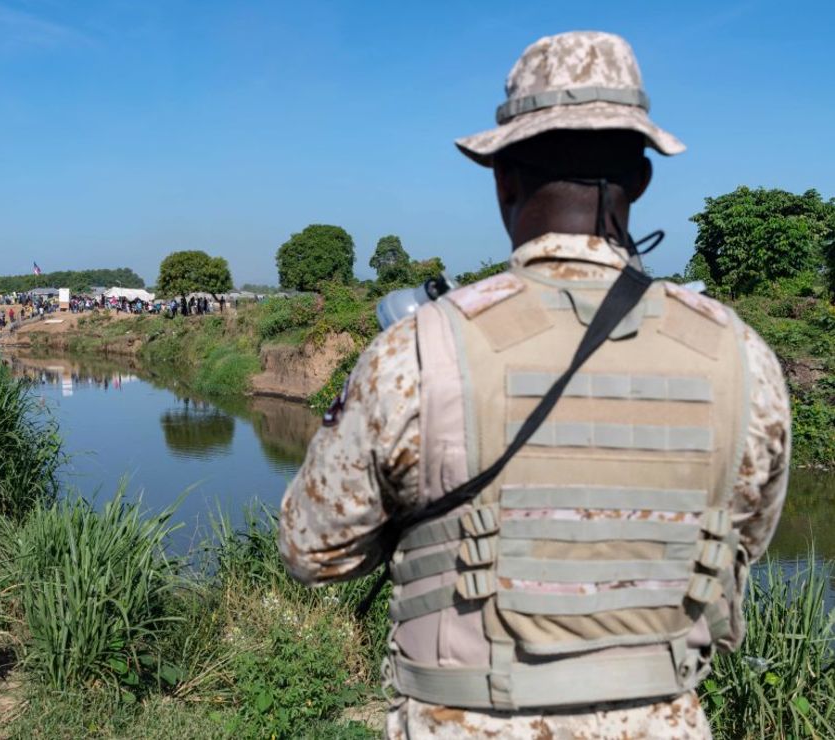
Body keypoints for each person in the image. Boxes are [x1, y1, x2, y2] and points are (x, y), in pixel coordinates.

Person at [279, 31, 790, 739]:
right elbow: (745, 541)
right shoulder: (742, 358)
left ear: (503, 178)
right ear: (640, 178)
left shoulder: (420, 350)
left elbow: (312, 549)